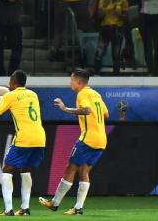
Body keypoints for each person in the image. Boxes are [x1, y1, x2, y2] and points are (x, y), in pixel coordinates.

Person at [39, 68, 109, 215]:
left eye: (71, 79)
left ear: (78, 81)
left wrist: (65, 109)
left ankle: (55, 203)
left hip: (88, 139)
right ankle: (78, 208)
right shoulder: (96, 94)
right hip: (101, 140)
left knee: (70, 168)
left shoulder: (82, 94)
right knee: (84, 171)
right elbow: (105, 114)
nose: (70, 82)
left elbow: (87, 110)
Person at [0, 70, 46, 216]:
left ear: (14, 82)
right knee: (26, 171)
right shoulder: (33, 94)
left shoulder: (10, 96)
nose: (8, 83)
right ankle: (25, 209)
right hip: (40, 137)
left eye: (10, 81)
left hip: (24, 138)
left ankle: (8, 209)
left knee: (7, 170)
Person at [95, 0, 128, 75]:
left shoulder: (122, 0)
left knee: (116, 55)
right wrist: (104, 11)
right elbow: (98, 16)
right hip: (105, 29)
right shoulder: (102, 0)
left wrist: (118, 15)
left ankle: (116, 77)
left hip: (117, 29)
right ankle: (96, 74)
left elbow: (126, 17)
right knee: (99, 53)